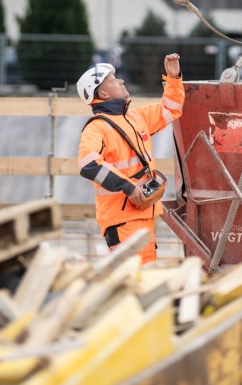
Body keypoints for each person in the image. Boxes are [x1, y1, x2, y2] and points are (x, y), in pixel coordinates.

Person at [76, 53, 184, 264]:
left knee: (145, 276)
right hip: (121, 219)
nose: (121, 81)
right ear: (104, 93)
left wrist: (173, 77)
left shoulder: (135, 117)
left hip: (143, 213)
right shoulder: (97, 127)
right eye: (113, 80)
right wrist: (128, 186)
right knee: (131, 279)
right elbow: (88, 164)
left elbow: (171, 108)